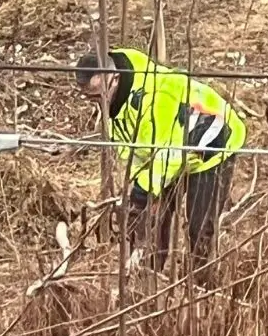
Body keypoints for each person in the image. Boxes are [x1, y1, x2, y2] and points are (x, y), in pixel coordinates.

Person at [75, 47, 246, 280]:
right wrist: (138, 187)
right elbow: (135, 149)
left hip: (211, 145)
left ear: (114, 79)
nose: (94, 103)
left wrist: (142, 192)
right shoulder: (114, 97)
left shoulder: (154, 98)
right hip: (166, 153)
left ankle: (200, 287)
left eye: (96, 95)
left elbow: (169, 155)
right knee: (151, 221)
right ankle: (148, 279)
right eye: (88, 97)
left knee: (199, 226)